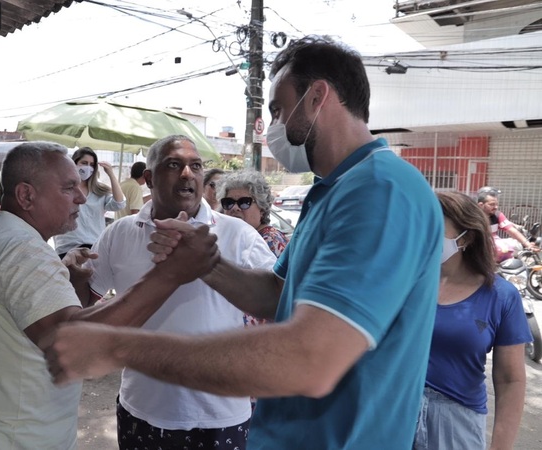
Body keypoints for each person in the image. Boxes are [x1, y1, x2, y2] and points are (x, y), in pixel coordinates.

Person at [44, 35, 444, 449]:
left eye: (278, 110)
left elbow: (309, 358)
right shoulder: (332, 191)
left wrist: (120, 346)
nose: (273, 127)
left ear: (317, 97)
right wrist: (206, 264)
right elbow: (278, 295)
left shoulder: (379, 191)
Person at [0, 141, 219, 449]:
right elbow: (73, 344)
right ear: (26, 195)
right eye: (69, 188)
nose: (81, 196)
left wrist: (68, 284)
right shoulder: (21, 249)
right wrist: (168, 274)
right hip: (9, 438)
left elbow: (47, 320)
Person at [77, 135, 276, 449]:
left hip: (221, 416)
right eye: (174, 165)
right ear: (149, 178)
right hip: (143, 409)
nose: (188, 174)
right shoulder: (120, 233)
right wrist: (73, 275)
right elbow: (87, 301)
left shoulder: (237, 234)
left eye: (196, 166)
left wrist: (208, 263)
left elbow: (278, 301)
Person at [414, 191, 530, 449]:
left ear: (466, 237)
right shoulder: (407, 283)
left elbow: (510, 379)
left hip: (456, 423)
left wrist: (501, 445)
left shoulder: (501, 296)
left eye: (434, 228)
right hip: (396, 410)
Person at [54, 147, 125, 257]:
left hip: (95, 248)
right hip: (67, 248)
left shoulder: (99, 190)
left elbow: (119, 204)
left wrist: (111, 174)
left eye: (92, 164)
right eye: (84, 163)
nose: (88, 167)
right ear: (74, 163)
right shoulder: (63, 187)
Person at [218, 170, 288, 258]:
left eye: (244, 202)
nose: (234, 208)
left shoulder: (269, 240)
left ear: (262, 209)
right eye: (229, 202)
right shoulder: (230, 238)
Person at [477, 186, 538, 261]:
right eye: (492, 204)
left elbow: (511, 230)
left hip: (494, 247)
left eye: (497, 204)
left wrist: (528, 244)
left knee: (512, 248)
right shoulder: (472, 217)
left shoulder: (497, 215)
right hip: (478, 248)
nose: (496, 207)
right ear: (480, 205)